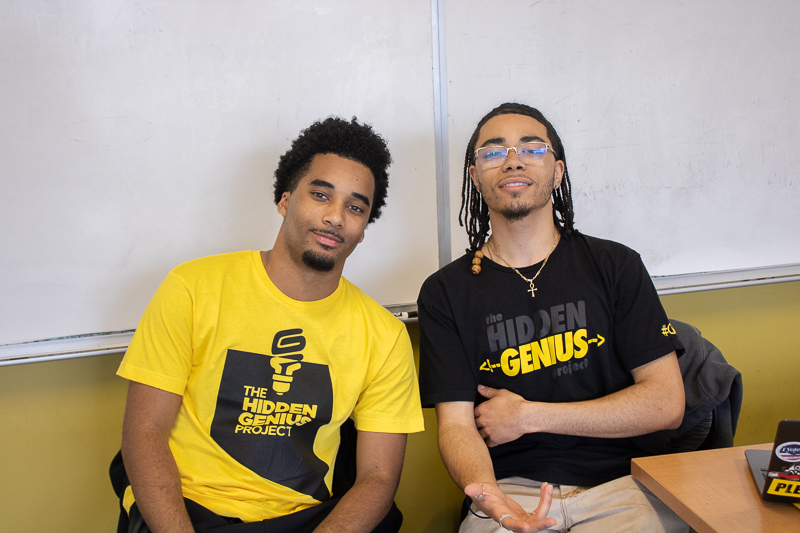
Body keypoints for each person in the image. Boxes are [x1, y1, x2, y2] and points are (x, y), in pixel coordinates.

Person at [115, 117, 424, 533]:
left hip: (302, 521)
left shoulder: (384, 336)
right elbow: (144, 433)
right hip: (189, 513)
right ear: (284, 200)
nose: (336, 217)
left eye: (355, 207)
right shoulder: (191, 288)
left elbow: (378, 478)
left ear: (364, 229)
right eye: (320, 195)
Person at [417, 103, 688, 533]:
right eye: (493, 152)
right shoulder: (445, 292)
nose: (513, 160)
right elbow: (456, 427)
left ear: (557, 172)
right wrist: (491, 499)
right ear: (475, 177)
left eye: (532, 148)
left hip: (623, 484)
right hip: (510, 488)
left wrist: (529, 416)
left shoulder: (615, 265)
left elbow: (666, 404)